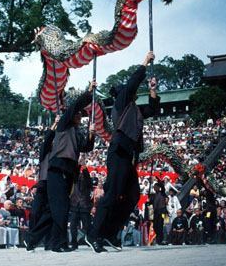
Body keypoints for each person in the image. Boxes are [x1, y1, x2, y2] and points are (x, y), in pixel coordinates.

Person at [87, 52, 160, 253]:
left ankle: (110, 233)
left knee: (132, 195)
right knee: (111, 195)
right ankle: (94, 234)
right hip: (119, 152)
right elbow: (133, 83)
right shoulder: (121, 104)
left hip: (129, 156)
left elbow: (152, 111)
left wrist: (152, 91)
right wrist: (145, 62)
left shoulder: (134, 109)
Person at [47, 81, 96, 253]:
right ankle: (58, 243)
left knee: (63, 208)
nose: (80, 117)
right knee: (59, 207)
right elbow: (75, 104)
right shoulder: (64, 124)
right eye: (79, 114)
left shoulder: (76, 132)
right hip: (58, 168)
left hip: (69, 171)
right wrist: (88, 92)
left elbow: (86, 148)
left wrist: (91, 134)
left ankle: (57, 242)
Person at [26, 115, 60, 252]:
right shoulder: (44, 153)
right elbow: (46, 141)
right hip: (43, 184)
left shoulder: (59, 155)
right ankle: (32, 239)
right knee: (34, 213)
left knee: (50, 215)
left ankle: (48, 242)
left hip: (54, 186)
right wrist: (54, 125)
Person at [69, 164, 93, 250]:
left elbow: (87, 176)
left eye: (82, 175)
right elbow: (74, 173)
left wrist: (84, 167)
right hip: (75, 206)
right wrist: (78, 165)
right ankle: (74, 243)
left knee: (87, 226)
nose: (81, 176)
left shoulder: (87, 183)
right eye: (80, 174)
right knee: (73, 226)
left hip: (84, 206)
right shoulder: (74, 182)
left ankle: (90, 241)